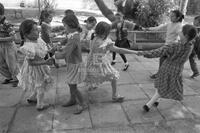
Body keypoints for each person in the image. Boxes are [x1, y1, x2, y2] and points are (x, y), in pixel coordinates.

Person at [137, 24, 197, 112]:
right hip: (177, 70)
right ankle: (157, 100)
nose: (179, 32)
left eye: (181, 31)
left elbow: (158, 52)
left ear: (186, 36)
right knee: (163, 85)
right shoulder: (190, 45)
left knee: (162, 87)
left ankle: (148, 105)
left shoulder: (175, 46)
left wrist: (144, 53)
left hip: (167, 68)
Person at [84, 21, 137, 102]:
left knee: (92, 74)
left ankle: (93, 85)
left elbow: (89, 46)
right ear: (105, 32)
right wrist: (135, 52)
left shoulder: (93, 36)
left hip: (92, 59)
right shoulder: (104, 42)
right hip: (100, 61)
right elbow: (119, 49)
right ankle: (115, 96)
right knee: (113, 76)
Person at [18, 19, 56, 111]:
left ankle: (33, 98)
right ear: (27, 35)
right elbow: (31, 63)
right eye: (34, 30)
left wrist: (50, 50)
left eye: (37, 29)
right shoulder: (28, 47)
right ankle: (40, 104)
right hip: (36, 68)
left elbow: (41, 51)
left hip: (40, 66)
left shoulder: (37, 40)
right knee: (40, 85)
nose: (38, 31)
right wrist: (45, 62)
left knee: (37, 83)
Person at [54, 14, 87, 115]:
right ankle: (73, 99)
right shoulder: (73, 34)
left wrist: (54, 55)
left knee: (73, 86)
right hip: (72, 63)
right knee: (71, 83)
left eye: (64, 26)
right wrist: (60, 44)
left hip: (75, 65)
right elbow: (66, 39)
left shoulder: (74, 38)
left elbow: (65, 53)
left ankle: (82, 103)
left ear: (70, 25)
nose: (64, 28)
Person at [145, 10, 184, 79]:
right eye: (170, 16)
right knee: (164, 61)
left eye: (172, 16)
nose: (170, 17)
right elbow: (159, 28)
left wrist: (183, 41)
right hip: (167, 46)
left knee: (164, 60)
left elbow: (181, 35)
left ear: (178, 18)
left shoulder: (179, 26)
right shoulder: (170, 24)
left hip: (172, 47)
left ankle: (162, 75)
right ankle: (162, 75)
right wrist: (148, 29)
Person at [0, 3, 19, 87]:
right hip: (1, 46)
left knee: (12, 64)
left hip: (9, 46)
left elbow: (13, 37)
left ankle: (17, 78)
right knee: (1, 63)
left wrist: (1, 39)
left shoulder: (6, 24)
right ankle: (9, 76)